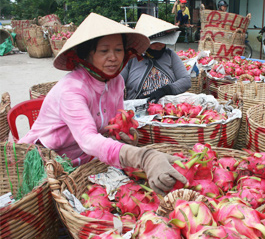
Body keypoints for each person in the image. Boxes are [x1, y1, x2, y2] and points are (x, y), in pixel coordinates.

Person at [18, 13, 187, 195]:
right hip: (47, 164)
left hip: (83, 160)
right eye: (104, 51)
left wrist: (124, 136)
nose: (113, 58)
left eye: (118, 50)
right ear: (87, 55)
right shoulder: (72, 89)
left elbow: (110, 127)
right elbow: (88, 139)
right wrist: (143, 157)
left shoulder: (116, 82)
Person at [121, 14, 191, 102]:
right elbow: (116, 83)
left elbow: (186, 80)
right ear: (144, 44)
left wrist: (166, 90)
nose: (160, 46)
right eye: (155, 43)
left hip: (168, 106)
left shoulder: (170, 55)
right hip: (138, 107)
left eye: (162, 42)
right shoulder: (132, 57)